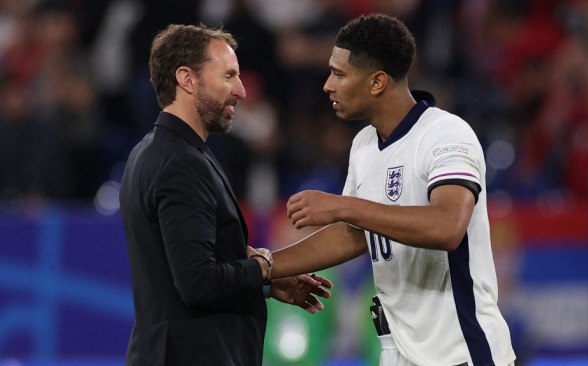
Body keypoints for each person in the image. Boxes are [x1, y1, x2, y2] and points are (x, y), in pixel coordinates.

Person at [270, 13, 516, 366]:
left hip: (459, 352)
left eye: (339, 74)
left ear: (377, 82)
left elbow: (447, 227)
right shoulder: (365, 145)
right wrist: (266, 266)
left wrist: (345, 206)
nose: (327, 85)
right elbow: (354, 236)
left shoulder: (446, 135)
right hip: (397, 352)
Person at [118, 23, 332, 366]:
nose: (242, 91)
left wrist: (263, 283)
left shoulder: (156, 151)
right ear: (187, 79)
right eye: (229, 76)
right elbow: (197, 282)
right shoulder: (179, 163)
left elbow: (191, 263)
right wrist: (264, 267)